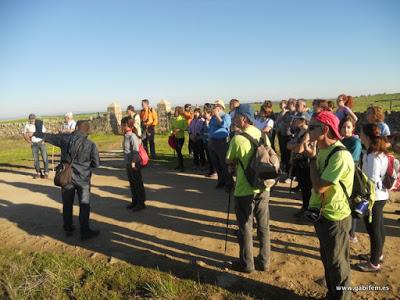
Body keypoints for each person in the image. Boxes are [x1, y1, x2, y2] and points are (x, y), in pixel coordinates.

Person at [304, 111, 354, 300]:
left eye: (311, 127)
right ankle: (332, 294)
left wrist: (312, 159)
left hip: (336, 218)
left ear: (325, 129)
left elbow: (319, 187)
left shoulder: (339, 155)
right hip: (324, 215)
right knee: (328, 260)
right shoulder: (323, 150)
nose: (307, 131)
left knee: (338, 263)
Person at [33, 120, 100, 241]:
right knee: (84, 205)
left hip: (66, 177)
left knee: (67, 204)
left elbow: (50, 137)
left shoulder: (65, 139)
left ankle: (68, 228)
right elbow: (96, 164)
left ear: (77, 127)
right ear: (87, 131)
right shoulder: (91, 144)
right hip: (83, 179)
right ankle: (85, 231)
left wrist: (37, 133)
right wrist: (85, 166)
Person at [226, 104, 270, 274]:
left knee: (245, 228)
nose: (234, 119)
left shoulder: (237, 139)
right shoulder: (262, 135)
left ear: (243, 118)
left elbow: (229, 160)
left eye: (236, 116)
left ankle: (247, 264)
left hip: (244, 189)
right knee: (264, 227)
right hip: (263, 187)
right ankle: (264, 261)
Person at [356, 123, 389, 272]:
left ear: (367, 136)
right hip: (379, 196)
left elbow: (373, 180)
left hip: (374, 197)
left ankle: (374, 263)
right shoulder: (374, 152)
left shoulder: (373, 156)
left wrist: (364, 195)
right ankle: (377, 255)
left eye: (361, 133)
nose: (359, 135)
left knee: (374, 229)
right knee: (378, 227)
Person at [340, 116, 362, 242]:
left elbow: (351, 161)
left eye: (349, 127)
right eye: (344, 127)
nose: (346, 129)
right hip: (343, 175)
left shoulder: (355, 142)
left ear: (353, 128)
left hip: (351, 175)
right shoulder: (342, 140)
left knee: (353, 203)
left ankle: (352, 233)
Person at [287, 112, 311, 217]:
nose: (294, 121)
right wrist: (295, 147)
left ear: (303, 120)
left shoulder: (308, 132)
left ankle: (307, 210)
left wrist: (294, 146)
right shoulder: (299, 132)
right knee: (303, 187)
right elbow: (288, 145)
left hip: (307, 164)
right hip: (299, 162)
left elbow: (300, 149)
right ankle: (305, 208)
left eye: (296, 119)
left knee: (307, 188)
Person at [122, 118, 146, 212]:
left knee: (138, 184)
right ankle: (135, 201)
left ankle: (141, 204)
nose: (121, 126)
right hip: (128, 163)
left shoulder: (132, 136)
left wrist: (132, 163)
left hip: (134, 163)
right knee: (132, 184)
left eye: (123, 124)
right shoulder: (126, 135)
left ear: (127, 126)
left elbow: (135, 151)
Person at [208, 100, 231, 189]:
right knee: (216, 163)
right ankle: (221, 181)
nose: (214, 107)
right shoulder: (213, 117)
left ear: (220, 107)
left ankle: (229, 182)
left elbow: (225, 124)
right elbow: (210, 126)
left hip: (222, 142)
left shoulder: (226, 116)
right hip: (212, 141)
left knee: (223, 163)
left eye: (215, 105)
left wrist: (217, 115)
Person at [23, 113, 49, 179]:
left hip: (41, 143)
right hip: (34, 144)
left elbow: (45, 132)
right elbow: (24, 134)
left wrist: (43, 140)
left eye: (33, 118)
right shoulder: (27, 125)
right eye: (31, 118)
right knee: (36, 159)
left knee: (45, 157)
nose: (32, 120)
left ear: (35, 118)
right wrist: (29, 141)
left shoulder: (39, 124)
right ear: (29, 119)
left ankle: (46, 173)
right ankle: (38, 173)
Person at [276, 98, 296, 176]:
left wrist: (284, 123)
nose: (287, 105)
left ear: (293, 105)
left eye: (288, 104)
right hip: (283, 135)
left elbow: (289, 124)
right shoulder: (287, 113)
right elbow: (280, 120)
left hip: (290, 136)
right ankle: (286, 171)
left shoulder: (295, 114)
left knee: (289, 154)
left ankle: (290, 173)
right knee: (284, 153)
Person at [171, 106, 187, 172]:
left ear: (179, 112)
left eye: (176, 111)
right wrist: (172, 132)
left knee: (179, 151)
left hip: (181, 138)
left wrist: (179, 129)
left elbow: (185, 128)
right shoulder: (173, 120)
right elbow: (172, 128)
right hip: (175, 137)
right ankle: (179, 165)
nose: (174, 112)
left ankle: (182, 166)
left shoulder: (183, 119)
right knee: (178, 152)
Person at [202, 105, 216, 177]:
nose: (204, 114)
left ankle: (214, 171)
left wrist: (207, 124)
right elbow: (202, 130)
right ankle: (210, 170)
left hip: (211, 141)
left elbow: (211, 131)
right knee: (208, 157)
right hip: (205, 141)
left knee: (212, 157)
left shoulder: (213, 121)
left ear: (209, 113)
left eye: (205, 113)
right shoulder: (204, 122)